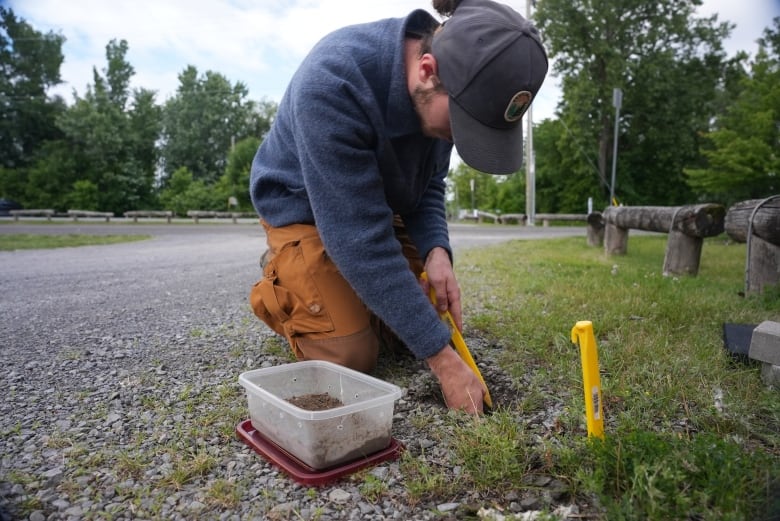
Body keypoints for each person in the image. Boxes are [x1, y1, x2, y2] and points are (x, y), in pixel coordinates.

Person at [249, 0, 548, 415]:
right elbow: (360, 241)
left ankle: (337, 289)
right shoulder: (332, 83)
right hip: (307, 209)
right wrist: (444, 363)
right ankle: (288, 275)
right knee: (352, 356)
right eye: (462, 127)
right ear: (427, 70)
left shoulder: (443, 100)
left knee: (413, 323)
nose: (459, 140)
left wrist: (436, 251)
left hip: (376, 208)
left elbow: (428, 185)